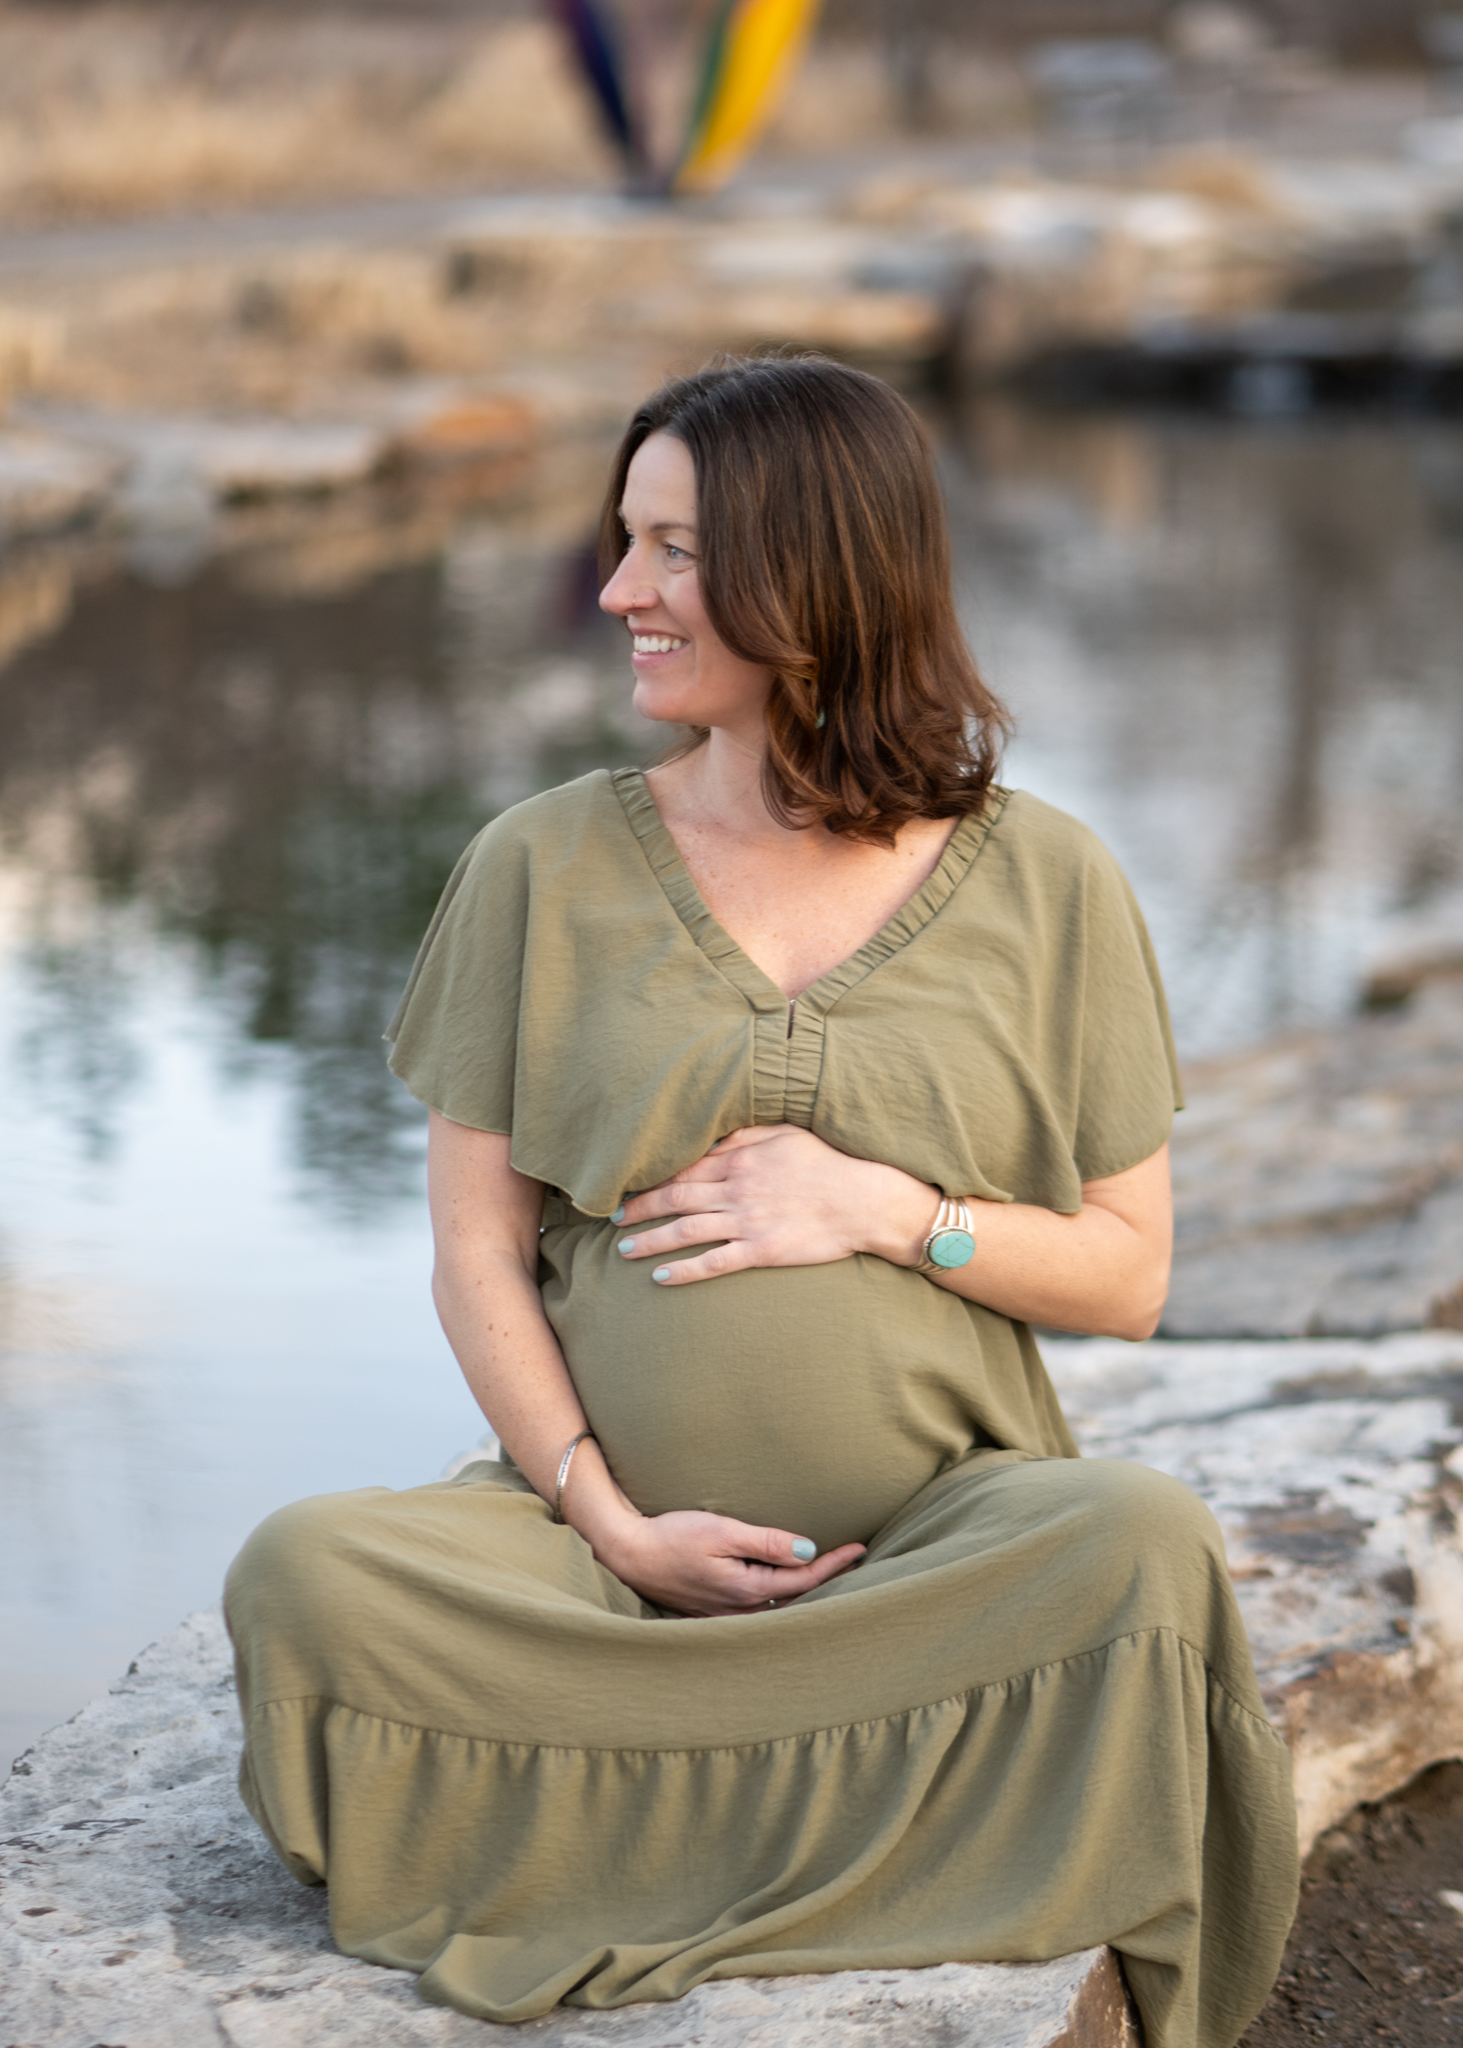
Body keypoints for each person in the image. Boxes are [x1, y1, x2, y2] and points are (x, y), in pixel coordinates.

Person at [224, 355, 1298, 2048]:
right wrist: (605, 1518)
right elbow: (475, 1247)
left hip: (939, 1550)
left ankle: (620, 1829)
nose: (618, 592)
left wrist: (887, 1210)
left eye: (674, 552)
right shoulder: (540, 864)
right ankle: (903, 1824)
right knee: (309, 1577)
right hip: (593, 1567)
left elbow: (1129, 1277)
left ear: (819, 574)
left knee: (1144, 1550)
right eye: (627, 540)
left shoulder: (1050, 880)